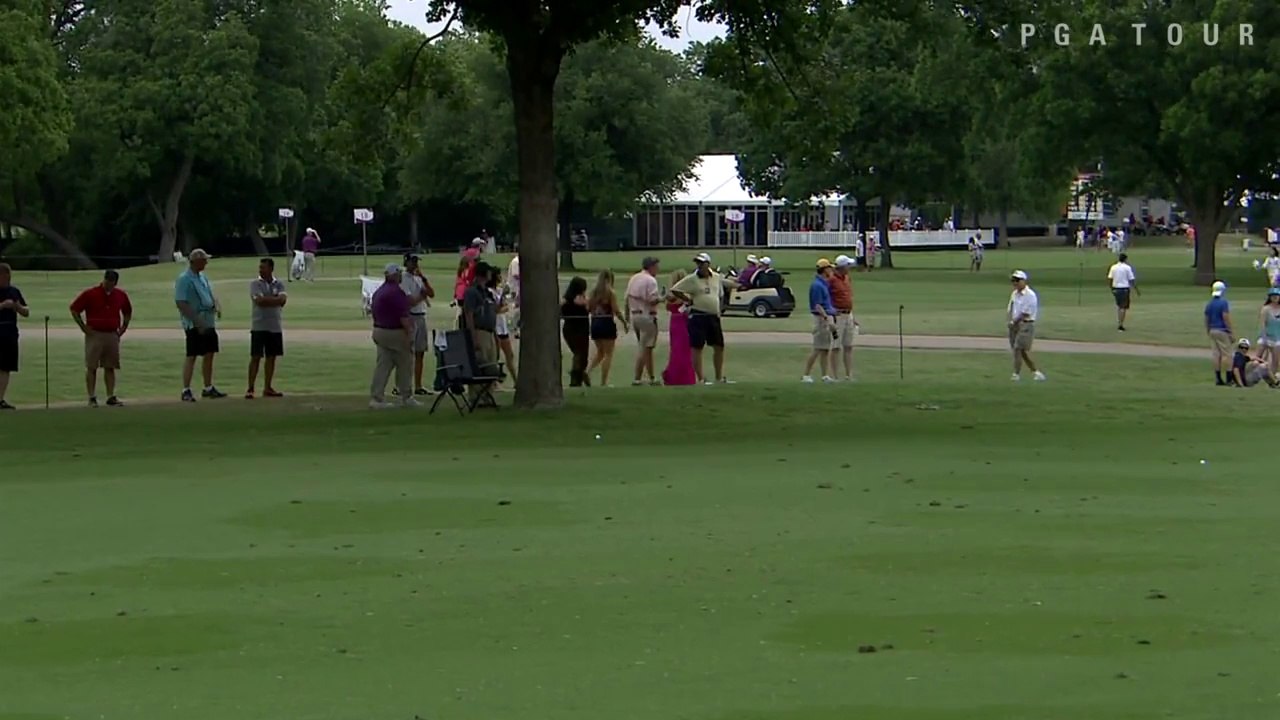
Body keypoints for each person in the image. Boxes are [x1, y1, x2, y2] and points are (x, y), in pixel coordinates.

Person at [670, 252, 737, 385]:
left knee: (719, 346)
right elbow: (675, 289)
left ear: (708, 264)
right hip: (698, 316)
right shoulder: (692, 279)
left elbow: (721, 294)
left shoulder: (716, 277)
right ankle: (701, 378)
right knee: (697, 347)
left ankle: (719, 377)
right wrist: (687, 299)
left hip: (713, 316)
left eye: (702, 263)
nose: (699, 266)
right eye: (698, 263)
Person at [70, 270, 132, 407]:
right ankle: (92, 397)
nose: (108, 285)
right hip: (95, 334)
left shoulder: (120, 295)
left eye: (111, 282)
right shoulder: (91, 293)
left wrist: (123, 328)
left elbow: (127, 311)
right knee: (92, 366)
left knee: (110, 366)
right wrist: (83, 327)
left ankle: (110, 396)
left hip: (112, 334)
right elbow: (74, 309)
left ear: (115, 283)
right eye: (106, 281)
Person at [174, 249, 225, 402]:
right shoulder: (184, 279)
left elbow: (209, 293)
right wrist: (196, 321)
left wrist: (216, 305)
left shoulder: (202, 277)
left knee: (209, 353)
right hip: (195, 323)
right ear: (195, 261)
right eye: (204, 260)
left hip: (208, 321)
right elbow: (181, 302)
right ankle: (186, 389)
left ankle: (208, 387)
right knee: (192, 355)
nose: (206, 263)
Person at [369, 263, 417, 408]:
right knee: (405, 363)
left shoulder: (380, 291)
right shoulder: (396, 293)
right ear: (395, 275)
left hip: (379, 331)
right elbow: (404, 318)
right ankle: (406, 396)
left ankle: (376, 398)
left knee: (383, 365)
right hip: (394, 333)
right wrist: (410, 335)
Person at [246, 258, 287, 399]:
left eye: (263, 267)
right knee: (255, 357)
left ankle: (267, 388)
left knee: (271, 358)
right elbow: (259, 301)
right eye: (260, 267)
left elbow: (283, 300)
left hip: (275, 326)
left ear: (271, 269)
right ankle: (250, 388)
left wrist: (269, 300)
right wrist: (274, 300)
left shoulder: (279, 284)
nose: (260, 270)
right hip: (259, 326)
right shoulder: (255, 284)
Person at [461, 262, 500, 403]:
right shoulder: (472, 292)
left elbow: (494, 310)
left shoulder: (487, 293)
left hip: (489, 332)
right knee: (480, 364)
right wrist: (473, 336)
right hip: (479, 331)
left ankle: (488, 396)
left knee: (491, 364)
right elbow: (469, 314)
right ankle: (476, 396)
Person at [397, 254, 434, 396]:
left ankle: (418, 386)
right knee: (407, 353)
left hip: (421, 316)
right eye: (413, 262)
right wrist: (422, 297)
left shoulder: (419, 278)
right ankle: (402, 385)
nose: (415, 265)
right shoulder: (403, 279)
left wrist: (424, 279)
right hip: (411, 316)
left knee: (420, 352)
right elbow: (410, 301)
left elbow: (431, 293)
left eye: (416, 262)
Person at [585, 269, 628, 387]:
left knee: (600, 352)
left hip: (595, 323)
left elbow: (588, 309)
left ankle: (588, 371)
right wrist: (624, 322)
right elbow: (616, 310)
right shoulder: (610, 293)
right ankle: (603, 382)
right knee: (608, 354)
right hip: (606, 323)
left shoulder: (593, 293)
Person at [626, 257, 662, 386]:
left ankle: (646, 377)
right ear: (651, 266)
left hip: (635, 315)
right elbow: (652, 300)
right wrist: (662, 299)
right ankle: (641, 377)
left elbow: (627, 298)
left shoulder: (634, 278)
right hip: (647, 315)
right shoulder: (651, 281)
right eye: (656, 266)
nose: (658, 269)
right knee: (646, 347)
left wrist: (627, 317)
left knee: (645, 347)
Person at [802, 259, 838, 383]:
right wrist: (827, 319)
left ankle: (824, 375)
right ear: (825, 270)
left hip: (826, 316)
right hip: (821, 318)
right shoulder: (817, 285)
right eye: (830, 268)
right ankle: (806, 375)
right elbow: (818, 305)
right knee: (817, 348)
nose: (831, 271)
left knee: (825, 349)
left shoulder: (823, 284)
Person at [0, 263, 30, 410]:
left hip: (10, 333)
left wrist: (17, 307)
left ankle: (0, 399)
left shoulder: (14, 291)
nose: (8, 279)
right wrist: (2, 306)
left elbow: (26, 312)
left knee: (6, 367)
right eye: (5, 276)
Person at [1007, 270, 1046, 382]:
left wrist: (1013, 322)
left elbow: (1025, 313)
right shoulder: (1014, 294)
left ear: (1023, 281)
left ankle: (1016, 374)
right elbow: (1011, 308)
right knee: (1021, 351)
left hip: (1026, 324)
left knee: (1018, 348)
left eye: (1017, 280)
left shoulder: (1030, 295)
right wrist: (1010, 321)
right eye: (1013, 280)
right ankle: (1036, 372)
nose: (1015, 283)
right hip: (1014, 325)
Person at [662, 269, 696, 386]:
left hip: (674, 322)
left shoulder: (671, 296)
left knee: (676, 349)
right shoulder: (685, 295)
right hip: (683, 321)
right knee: (684, 350)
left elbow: (668, 306)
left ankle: (674, 375)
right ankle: (684, 377)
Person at [829, 255, 859, 380]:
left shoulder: (847, 278)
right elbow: (828, 298)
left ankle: (848, 375)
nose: (849, 268)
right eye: (848, 266)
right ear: (842, 267)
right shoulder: (831, 281)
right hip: (838, 315)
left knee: (848, 345)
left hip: (848, 314)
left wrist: (853, 315)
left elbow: (849, 297)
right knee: (836, 346)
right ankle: (835, 376)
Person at [561, 277, 591, 387]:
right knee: (580, 354)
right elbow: (587, 306)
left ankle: (579, 375)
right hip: (577, 330)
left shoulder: (566, 299)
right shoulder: (575, 299)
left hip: (572, 329)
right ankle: (576, 378)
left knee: (580, 355)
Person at [1205, 280, 1234, 386]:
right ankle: (1229, 378)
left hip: (1212, 330)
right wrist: (1230, 332)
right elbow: (1225, 317)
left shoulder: (1210, 304)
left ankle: (1218, 378)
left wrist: (1208, 329)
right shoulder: (1223, 303)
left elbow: (1207, 318)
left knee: (1216, 354)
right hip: (1222, 330)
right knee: (1227, 354)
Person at [490, 268, 517, 384]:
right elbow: (495, 309)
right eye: (499, 276)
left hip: (503, 327)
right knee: (494, 356)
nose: (501, 278)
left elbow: (505, 306)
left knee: (510, 354)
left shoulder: (499, 290)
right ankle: (492, 382)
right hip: (495, 327)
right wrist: (502, 302)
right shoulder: (489, 292)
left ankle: (516, 380)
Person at [1106, 252, 1139, 331]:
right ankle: (1120, 325)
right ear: (1125, 259)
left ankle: (1119, 321)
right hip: (1124, 289)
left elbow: (1110, 278)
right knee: (1123, 307)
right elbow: (1131, 279)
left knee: (1119, 306)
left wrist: (1112, 288)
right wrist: (1136, 289)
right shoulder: (1127, 268)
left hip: (1116, 288)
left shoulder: (1113, 267)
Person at [1257, 288, 1280, 374]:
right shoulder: (1266, 309)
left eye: (1277, 296)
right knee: (1258, 358)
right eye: (1273, 296)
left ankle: (1273, 378)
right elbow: (1262, 324)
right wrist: (1264, 337)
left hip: (1277, 338)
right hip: (1266, 336)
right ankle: (1251, 375)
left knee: (1276, 361)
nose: (1275, 298)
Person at [507, 253, 521, 338]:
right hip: (514, 288)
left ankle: (515, 326)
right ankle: (513, 326)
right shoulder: (516, 261)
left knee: (518, 307)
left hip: (518, 287)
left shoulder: (519, 261)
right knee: (516, 308)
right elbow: (515, 275)